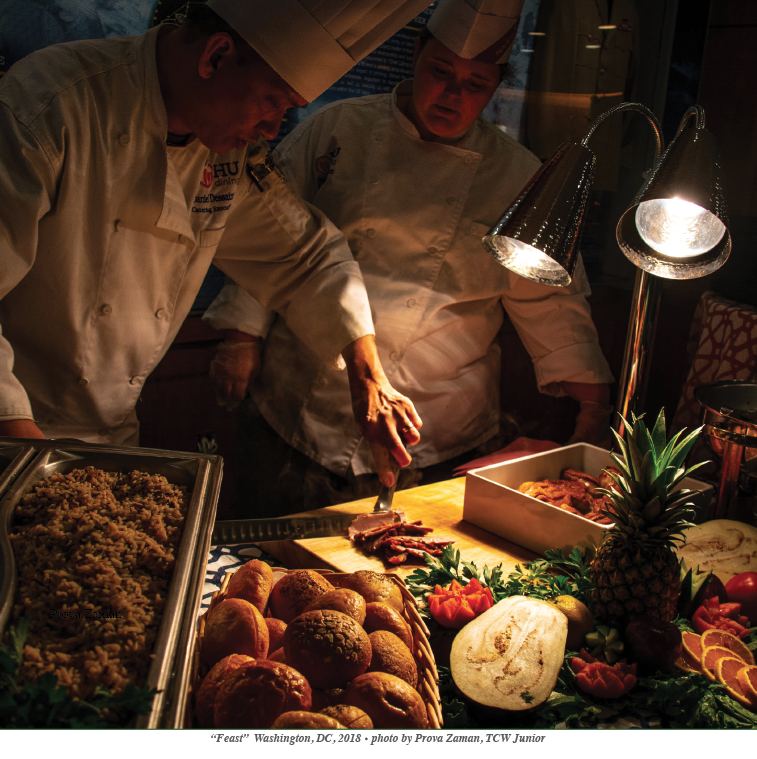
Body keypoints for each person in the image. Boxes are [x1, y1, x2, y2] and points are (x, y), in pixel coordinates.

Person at [204, 0, 615, 517]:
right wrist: (241, 337)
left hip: (438, 435)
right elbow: (271, 240)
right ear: (417, 54)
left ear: (497, 84)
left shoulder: (518, 176)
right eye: (441, 72)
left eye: (475, 84)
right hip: (299, 410)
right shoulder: (337, 129)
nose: (452, 95)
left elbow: (553, 304)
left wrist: (592, 411)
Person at [0, 0, 433, 486]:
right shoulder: (48, 104)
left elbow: (308, 257)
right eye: (274, 102)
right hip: (10, 434)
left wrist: (367, 376)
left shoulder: (226, 154)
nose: (272, 129)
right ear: (216, 57)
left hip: (112, 440)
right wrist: (34, 464)